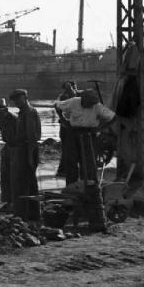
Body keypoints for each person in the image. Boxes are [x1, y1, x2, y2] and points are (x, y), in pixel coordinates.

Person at [55, 88, 116, 232]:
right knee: (71, 164)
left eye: (92, 104)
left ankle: (90, 195)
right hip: (73, 134)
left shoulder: (97, 106)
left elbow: (113, 117)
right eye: (87, 103)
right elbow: (57, 106)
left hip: (90, 135)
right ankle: (71, 196)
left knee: (89, 166)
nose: (90, 106)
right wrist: (64, 120)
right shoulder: (73, 102)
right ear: (82, 100)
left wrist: (100, 127)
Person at [8, 89, 41, 220]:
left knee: (25, 182)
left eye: (18, 99)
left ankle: (26, 214)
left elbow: (32, 137)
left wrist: (29, 157)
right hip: (23, 148)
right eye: (14, 100)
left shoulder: (29, 112)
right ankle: (28, 213)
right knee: (24, 182)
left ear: (25, 98)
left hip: (27, 149)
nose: (16, 102)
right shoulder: (23, 113)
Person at [0, 98, 18, 212]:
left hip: (17, 147)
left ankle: (15, 202)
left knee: (14, 176)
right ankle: (8, 201)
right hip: (8, 146)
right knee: (5, 175)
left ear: (6, 110)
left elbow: (20, 135)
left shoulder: (14, 119)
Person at [55, 81, 79, 182]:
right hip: (67, 129)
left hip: (67, 127)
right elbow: (58, 107)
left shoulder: (66, 96)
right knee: (67, 150)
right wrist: (63, 119)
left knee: (67, 150)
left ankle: (63, 170)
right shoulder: (66, 97)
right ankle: (63, 170)